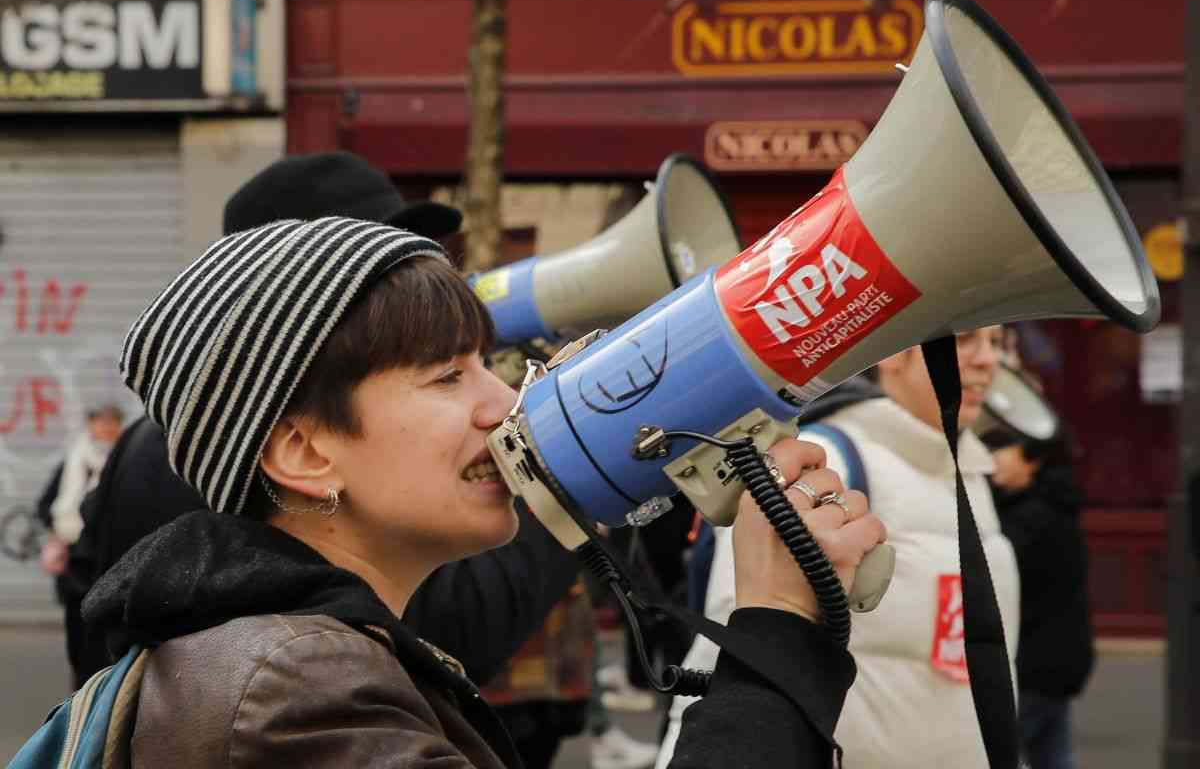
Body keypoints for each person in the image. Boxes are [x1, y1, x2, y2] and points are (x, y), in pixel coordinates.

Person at [81, 216, 885, 767]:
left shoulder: (292, 659)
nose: (505, 407)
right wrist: (778, 624)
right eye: (445, 377)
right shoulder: (292, 693)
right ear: (305, 451)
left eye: (487, 368)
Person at [70, 152, 580, 685]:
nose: (504, 404)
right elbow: (462, 626)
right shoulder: (317, 693)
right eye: (444, 373)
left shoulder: (157, 447)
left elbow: (85, 595)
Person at [657, 327, 1020, 769]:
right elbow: (736, 656)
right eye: (964, 340)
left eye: (997, 343)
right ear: (894, 353)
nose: (988, 360)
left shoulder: (970, 474)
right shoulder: (822, 464)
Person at [984, 424, 1094, 769]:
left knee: (1000, 753)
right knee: (1052, 754)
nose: (989, 463)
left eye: (1000, 452)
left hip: (1032, 662)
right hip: (1056, 661)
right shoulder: (1053, 505)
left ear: (1031, 461)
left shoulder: (1033, 518)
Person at [34, 404, 124, 688]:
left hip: (108, 561)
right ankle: (81, 691)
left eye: (113, 423)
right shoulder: (74, 461)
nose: (107, 429)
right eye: (101, 422)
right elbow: (45, 504)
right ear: (91, 425)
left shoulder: (123, 464)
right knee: (78, 632)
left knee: (106, 634)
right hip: (75, 562)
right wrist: (62, 529)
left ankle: (101, 690)